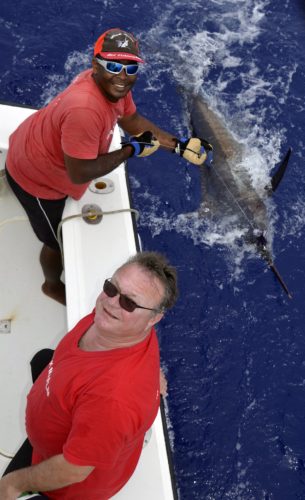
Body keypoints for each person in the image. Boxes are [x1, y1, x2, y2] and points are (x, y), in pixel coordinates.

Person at [5, 28, 211, 305]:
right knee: (55, 241)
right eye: (113, 66)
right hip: (37, 180)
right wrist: (130, 150)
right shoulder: (86, 110)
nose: (122, 75)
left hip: (37, 146)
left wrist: (178, 145)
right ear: (95, 66)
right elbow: (79, 172)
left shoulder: (114, 89)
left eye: (130, 67)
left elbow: (134, 123)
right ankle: (51, 285)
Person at [0, 251, 178, 500]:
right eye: (111, 288)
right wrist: (151, 373)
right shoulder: (117, 324)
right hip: (69, 419)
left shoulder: (113, 400)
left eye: (129, 303)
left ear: (153, 319)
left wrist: (14, 483)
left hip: (66, 484)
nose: (112, 302)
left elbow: (73, 470)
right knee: (42, 358)